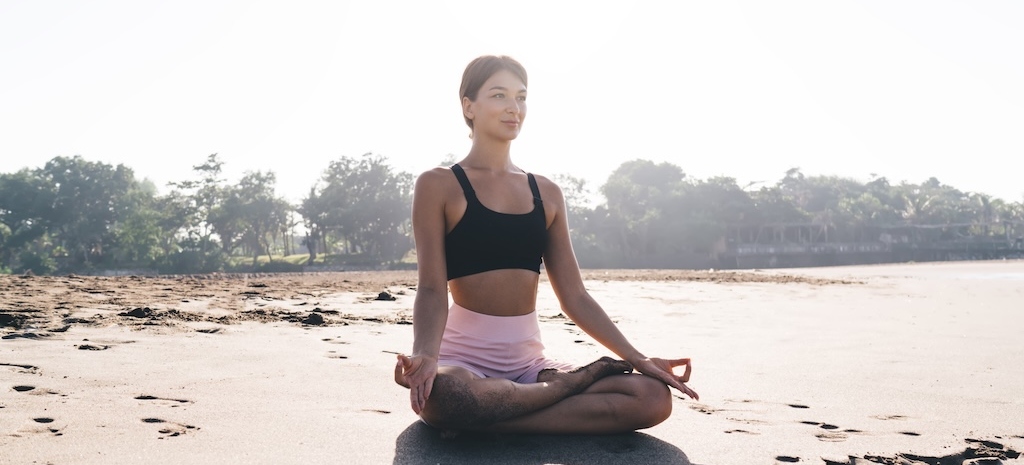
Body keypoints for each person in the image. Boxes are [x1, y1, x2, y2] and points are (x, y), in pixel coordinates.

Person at [394, 55, 699, 434]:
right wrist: (425, 354)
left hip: (530, 366)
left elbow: (576, 297)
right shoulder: (438, 184)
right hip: (464, 361)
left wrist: (637, 358)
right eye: (499, 95)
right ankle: (566, 387)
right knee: (444, 393)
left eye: (521, 97)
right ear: (468, 106)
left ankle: (490, 422)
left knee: (651, 398)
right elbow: (430, 288)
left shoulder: (547, 193)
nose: (513, 107)